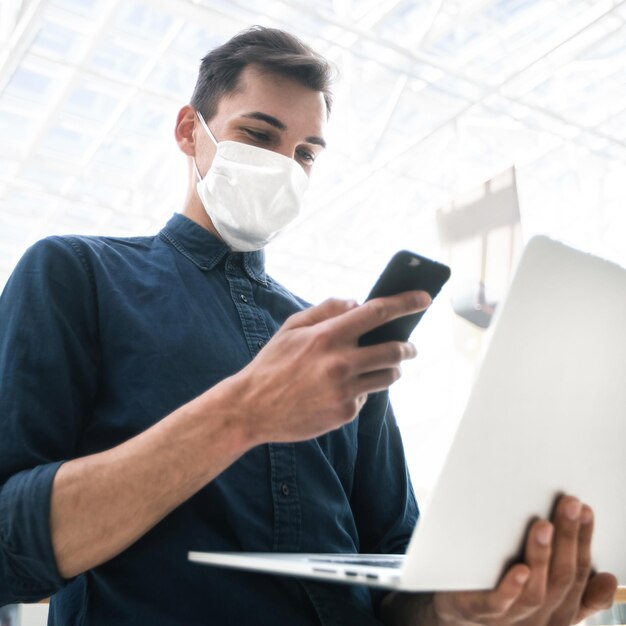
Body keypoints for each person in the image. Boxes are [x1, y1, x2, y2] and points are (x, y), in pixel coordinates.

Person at [0, 26, 617, 626]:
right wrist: (242, 412)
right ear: (191, 131)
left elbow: (394, 562)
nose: (284, 166)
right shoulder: (77, 274)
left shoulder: (334, 344)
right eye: (258, 134)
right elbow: (8, 546)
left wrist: (460, 609)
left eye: (304, 154)